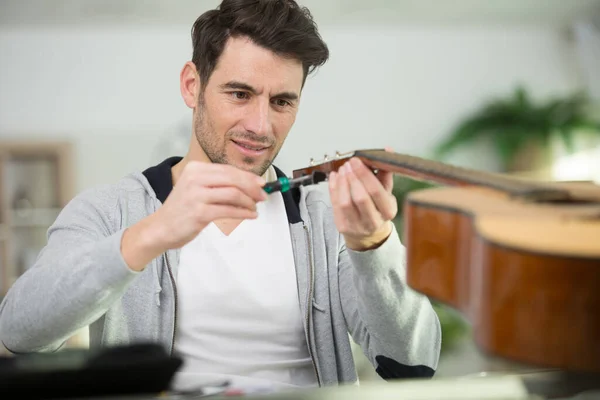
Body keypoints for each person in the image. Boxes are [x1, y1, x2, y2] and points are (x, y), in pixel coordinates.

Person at [0, 0, 441, 393]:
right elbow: (19, 331)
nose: (260, 125)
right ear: (192, 85)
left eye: (282, 102)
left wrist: (373, 246)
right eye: (239, 94)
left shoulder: (328, 220)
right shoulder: (109, 210)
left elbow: (414, 365)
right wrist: (152, 233)